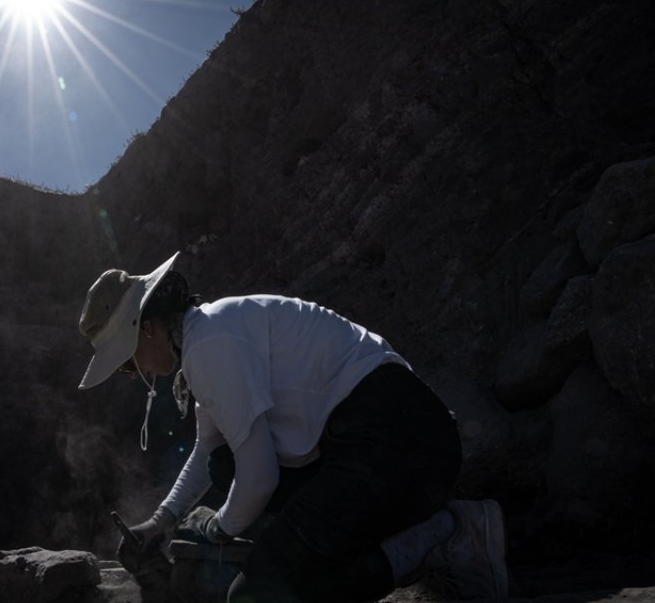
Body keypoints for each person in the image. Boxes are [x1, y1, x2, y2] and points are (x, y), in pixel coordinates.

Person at [77, 252, 508, 602]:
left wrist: (220, 526)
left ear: (146, 329)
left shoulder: (209, 345)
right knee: (227, 464)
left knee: (258, 595)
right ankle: (363, 545)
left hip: (400, 443)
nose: (135, 374)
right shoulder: (205, 335)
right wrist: (160, 521)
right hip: (392, 443)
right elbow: (209, 449)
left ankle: (445, 536)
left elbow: (261, 476)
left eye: (128, 364)